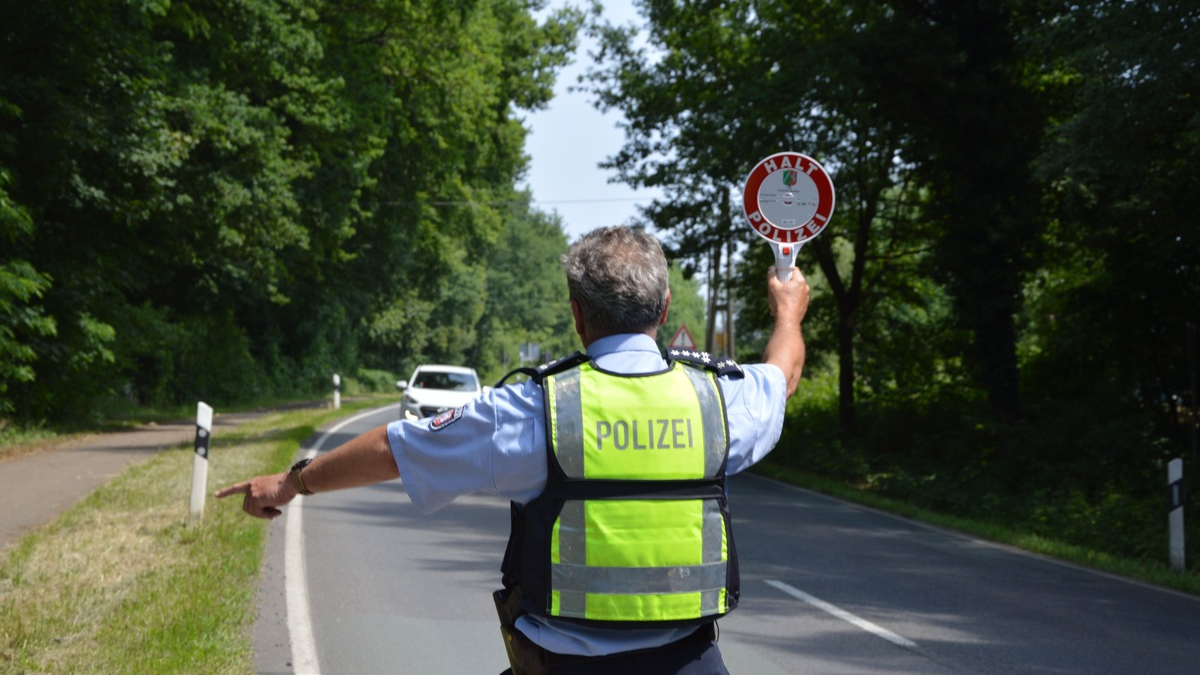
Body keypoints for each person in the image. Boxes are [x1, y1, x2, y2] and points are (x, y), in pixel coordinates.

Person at [215, 225, 810, 675]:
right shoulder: (719, 402)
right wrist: (788, 310)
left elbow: (396, 451)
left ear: (578, 314)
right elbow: (780, 378)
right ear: (663, 311)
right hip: (691, 663)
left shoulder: (535, 408)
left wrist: (293, 482)